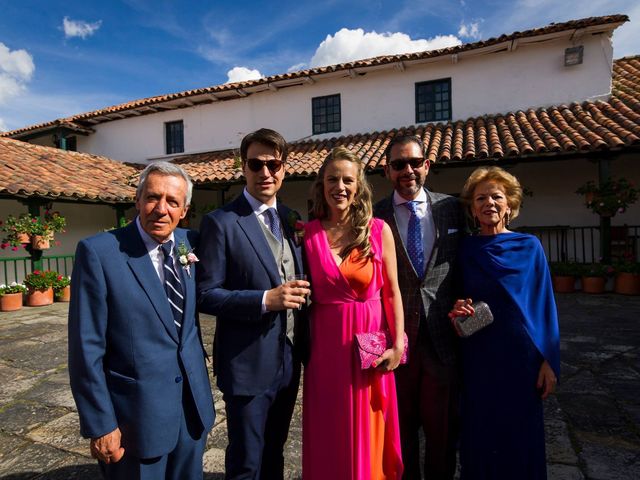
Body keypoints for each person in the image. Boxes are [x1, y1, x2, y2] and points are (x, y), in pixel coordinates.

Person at [68, 162, 215, 480]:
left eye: (172, 202)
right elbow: (85, 346)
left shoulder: (187, 243)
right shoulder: (99, 253)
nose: (161, 209)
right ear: (137, 200)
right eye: (152, 197)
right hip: (135, 420)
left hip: (192, 412)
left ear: (184, 210)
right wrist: (101, 423)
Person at [196, 128, 310, 480]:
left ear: (284, 168)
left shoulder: (292, 220)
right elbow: (205, 293)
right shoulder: (221, 222)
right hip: (246, 363)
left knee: (275, 451)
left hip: (289, 359)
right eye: (256, 164)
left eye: (273, 164)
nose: (265, 173)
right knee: (247, 460)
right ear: (242, 168)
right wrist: (265, 299)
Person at [449, 166, 560, 480]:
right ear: (472, 208)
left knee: (520, 434)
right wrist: (457, 308)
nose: (489, 203)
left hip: (521, 359)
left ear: (509, 204)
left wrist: (549, 361)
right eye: (481, 198)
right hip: (478, 356)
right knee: (480, 430)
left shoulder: (530, 247)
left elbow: (544, 304)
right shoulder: (465, 250)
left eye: (496, 197)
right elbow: (455, 296)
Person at [303, 146, 405, 479]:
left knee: (370, 423)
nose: (340, 187)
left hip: (368, 347)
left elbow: (391, 290)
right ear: (322, 185)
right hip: (325, 349)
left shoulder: (378, 230)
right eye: (333, 179)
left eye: (348, 180)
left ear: (359, 186)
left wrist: (398, 345)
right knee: (328, 425)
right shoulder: (308, 234)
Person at [373, 135, 464, 480]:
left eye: (414, 162)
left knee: (443, 432)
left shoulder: (451, 208)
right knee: (400, 430)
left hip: (443, 339)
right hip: (397, 341)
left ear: (427, 165)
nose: (407, 170)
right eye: (398, 164)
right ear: (387, 171)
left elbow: (468, 263)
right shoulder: (374, 215)